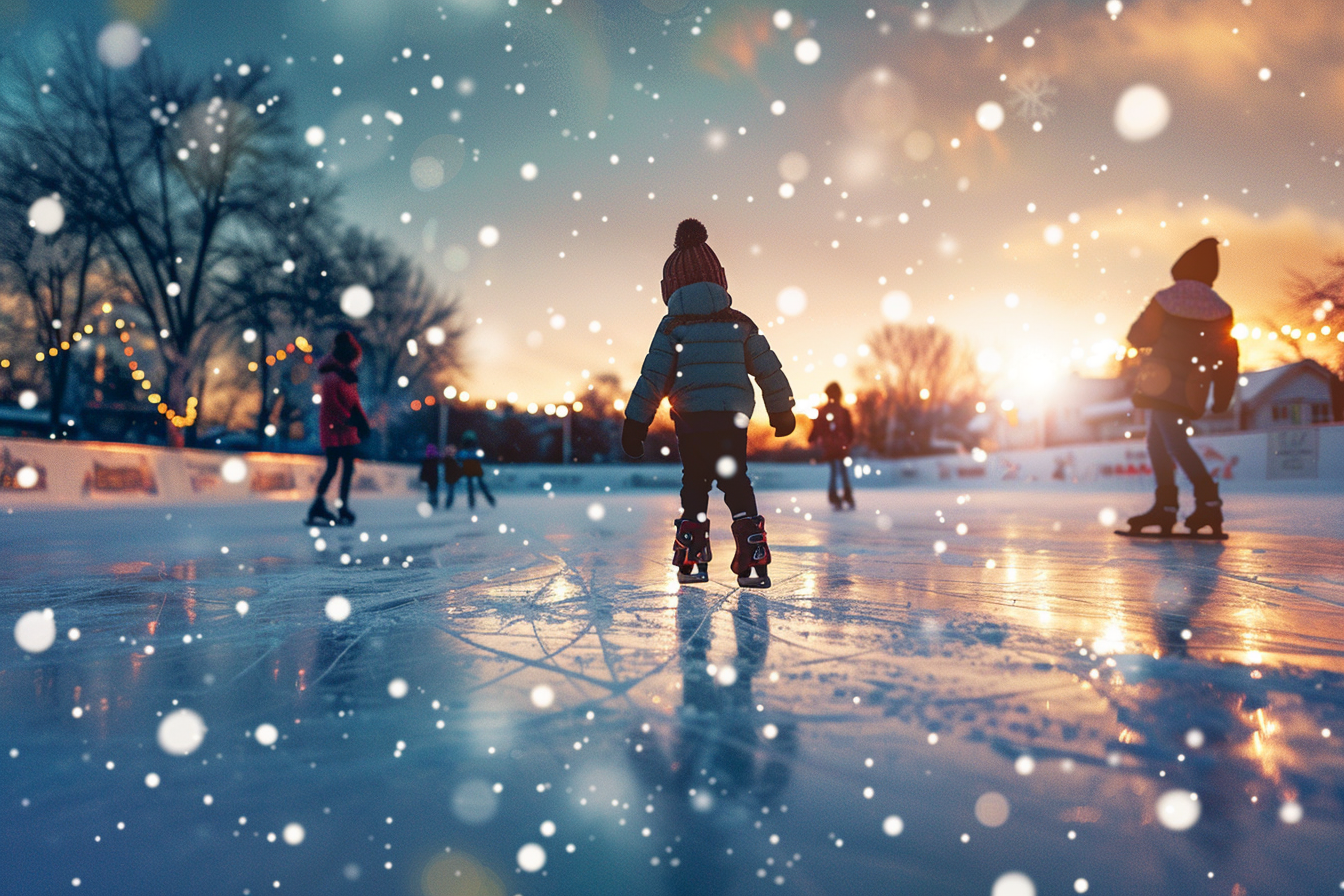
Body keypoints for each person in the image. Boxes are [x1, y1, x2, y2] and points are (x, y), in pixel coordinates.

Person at [622, 218, 795, 587]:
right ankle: (753, 554)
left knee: (695, 481)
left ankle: (692, 554)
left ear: (671, 288)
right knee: (735, 479)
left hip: (692, 417)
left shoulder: (671, 327)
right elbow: (768, 369)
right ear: (720, 279)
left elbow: (653, 378)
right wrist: (781, 409)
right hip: (732, 417)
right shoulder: (740, 323)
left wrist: (636, 423)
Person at [1124, 238, 1239, 536]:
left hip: (1160, 383)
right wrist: (1223, 396)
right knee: (1157, 441)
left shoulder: (1165, 299)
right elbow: (1228, 353)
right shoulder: (1221, 308)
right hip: (1194, 387)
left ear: (1181, 268)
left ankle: (1207, 504)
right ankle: (1167, 508)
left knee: (1173, 442)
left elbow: (1137, 337)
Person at [305, 331, 371, 526]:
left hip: (346, 429)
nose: (355, 362)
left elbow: (355, 403)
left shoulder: (348, 375)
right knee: (333, 467)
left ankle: (342, 507)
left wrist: (362, 422)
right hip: (334, 428)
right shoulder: (332, 375)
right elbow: (332, 406)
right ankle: (317, 505)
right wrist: (350, 420)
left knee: (348, 468)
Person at [810, 382, 855, 510]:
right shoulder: (843, 411)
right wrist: (849, 440)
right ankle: (846, 494)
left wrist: (812, 437)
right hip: (840, 446)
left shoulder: (824, 411)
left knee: (835, 471)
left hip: (831, 446)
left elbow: (818, 427)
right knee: (841, 471)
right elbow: (849, 429)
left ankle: (835, 496)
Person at [458, 430, 495, 509]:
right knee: (476, 485)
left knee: (476, 485)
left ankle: (486, 499)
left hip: (472, 468)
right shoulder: (468, 450)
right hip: (472, 468)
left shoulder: (467, 450)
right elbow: (480, 457)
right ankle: (487, 500)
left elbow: (461, 458)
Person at [419, 443, 441, 509]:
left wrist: (422, 477)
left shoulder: (428, 460)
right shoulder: (435, 460)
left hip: (431, 478)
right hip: (433, 477)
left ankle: (433, 501)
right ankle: (434, 501)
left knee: (431, 490)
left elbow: (424, 470)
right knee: (433, 490)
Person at [442, 444, 463, 509]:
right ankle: (448, 503)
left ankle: (448, 503)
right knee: (450, 492)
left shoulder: (450, 460)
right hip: (451, 478)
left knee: (450, 491)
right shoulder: (451, 461)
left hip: (450, 478)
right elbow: (456, 470)